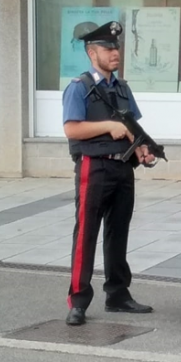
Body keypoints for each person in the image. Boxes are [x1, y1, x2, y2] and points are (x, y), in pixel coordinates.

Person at [61, 20, 157, 326]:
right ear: (92, 53)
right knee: (86, 233)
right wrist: (108, 126)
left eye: (116, 48)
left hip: (122, 167)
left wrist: (143, 149)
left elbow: (132, 127)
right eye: (107, 49)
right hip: (94, 166)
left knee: (118, 233)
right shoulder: (79, 87)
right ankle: (78, 300)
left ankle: (117, 295)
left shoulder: (122, 87)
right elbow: (71, 129)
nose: (115, 53)